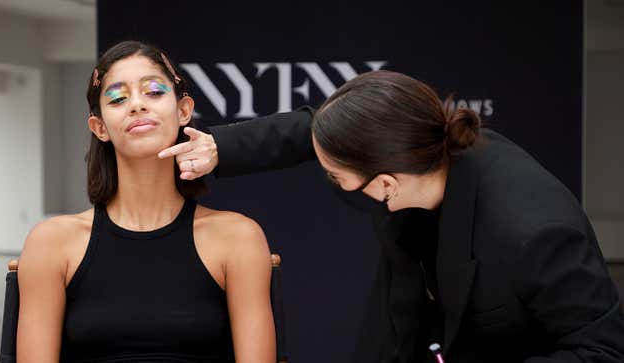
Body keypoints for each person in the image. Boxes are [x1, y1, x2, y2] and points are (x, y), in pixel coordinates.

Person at [159, 70, 624, 362]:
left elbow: (601, 350)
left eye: (335, 177)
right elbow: (317, 129)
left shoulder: (535, 233)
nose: (332, 182)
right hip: (408, 332)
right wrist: (222, 147)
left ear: (385, 183)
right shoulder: (404, 141)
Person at [16, 41, 275, 363]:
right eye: (117, 97)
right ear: (99, 128)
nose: (137, 105)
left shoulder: (238, 237)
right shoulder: (51, 243)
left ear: (183, 110)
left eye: (153, 91)